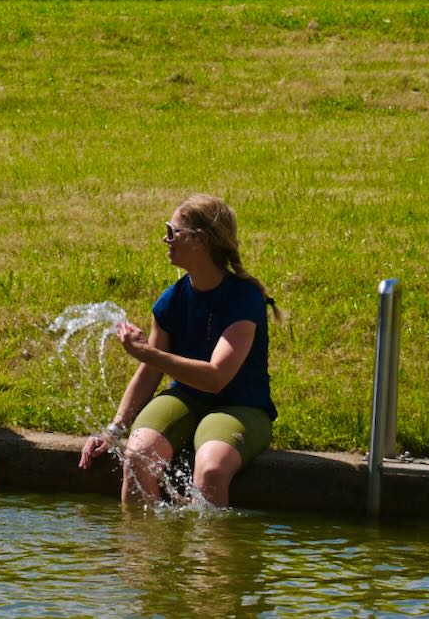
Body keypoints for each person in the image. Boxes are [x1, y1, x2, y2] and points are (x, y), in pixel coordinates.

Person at [78, 194, 282, 508]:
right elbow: (149, 373)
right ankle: (139, 554)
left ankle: (213, 557)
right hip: (186, 400)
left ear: (200, 241)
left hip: (241, 407)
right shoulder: (171, 301)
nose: (165, 239)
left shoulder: (244, 299)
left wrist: (147, 353)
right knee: (136, 457)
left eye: (172, 232)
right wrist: (113, 430)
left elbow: (217, 378)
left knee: (211, 470)